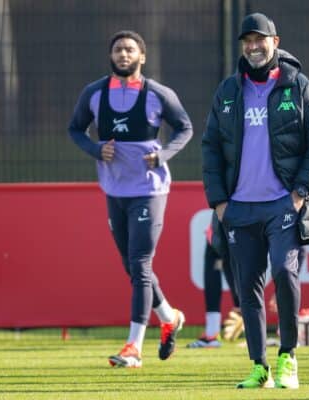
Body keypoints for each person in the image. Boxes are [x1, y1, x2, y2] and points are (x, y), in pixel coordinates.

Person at [201, 13, 309, 389]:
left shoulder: (299, 86)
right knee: (247, 287)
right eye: (247, 41)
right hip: (239, 208)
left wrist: (299, 193)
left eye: (260, 40)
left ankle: (287, 357)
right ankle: (259, 366)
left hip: (283, 204)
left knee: (284, 272)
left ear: (275, 42)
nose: (253, 47)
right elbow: (210, 146)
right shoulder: (229, 90)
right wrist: (219, 202)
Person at [68, 30, 193, 368]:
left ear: (142, 56)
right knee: (133, 266)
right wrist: (96, 148)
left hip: (149, 190)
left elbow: (185, 128)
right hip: (115, 189)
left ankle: (133, 347)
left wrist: (163, 155)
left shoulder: (158, 94)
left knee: (139, 264)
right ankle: (169, 317)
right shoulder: (94, 94)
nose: (124, 54)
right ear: (111, 56)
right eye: (118, 50)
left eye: (130, 50)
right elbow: (75, 129)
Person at [187, 213, 243, 348]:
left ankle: (250, 323)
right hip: (222, 216)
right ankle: (212, 333)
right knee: (215, 263)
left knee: (237, 267)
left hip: (243, 213)